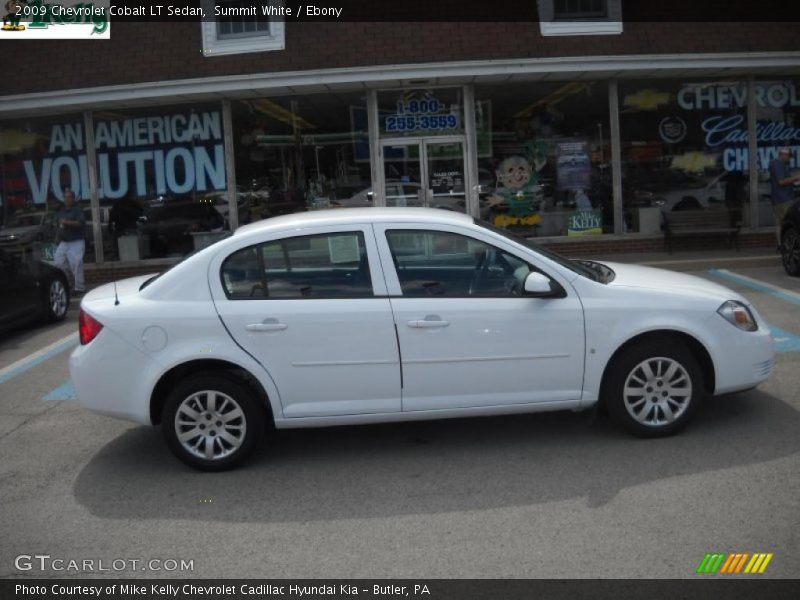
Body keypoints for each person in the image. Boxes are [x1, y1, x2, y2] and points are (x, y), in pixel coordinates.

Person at [54, 189, 86, 293]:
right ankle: (68, 282)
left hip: (76, 241)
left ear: (73, 198)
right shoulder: (61, 211)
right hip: (64, 241)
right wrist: (56, 239)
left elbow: (80, 223)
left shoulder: (77, 210)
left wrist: (67, 222)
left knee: (76, 263)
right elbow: (59, 226)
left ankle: (79, 287)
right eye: (65, 197)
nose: (66, 199)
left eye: (69, 197)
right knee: (58, 261)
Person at [769, 147, 800, 247]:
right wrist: (797, 177)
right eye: (788, 156)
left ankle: (780, 244)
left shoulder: (776, 164)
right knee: (789, 222)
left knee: (779, 223)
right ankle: (787, 244)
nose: (789, 159)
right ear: (783, 154)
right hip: (784, 199)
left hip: (778, 198)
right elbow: (781, 182)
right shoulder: (778, 165)